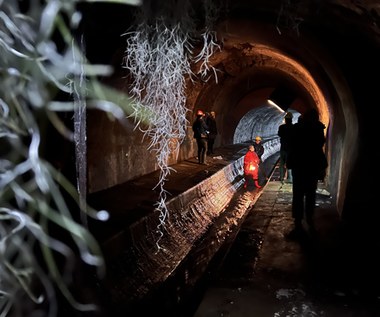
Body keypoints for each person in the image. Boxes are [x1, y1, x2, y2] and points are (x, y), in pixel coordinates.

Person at [287, 108, 327, 233]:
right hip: (312, 166)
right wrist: (321, 167)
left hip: (299, 166)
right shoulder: (318, 129)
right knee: (310, 194)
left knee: (298, 194)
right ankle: (310, 220)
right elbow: (319, 148)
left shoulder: (297, 129)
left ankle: (298, 222)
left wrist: (290, 162)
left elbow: (291, 146)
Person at [277, 112, 294, 184]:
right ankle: (290, 178)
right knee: (290, 163)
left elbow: (279, 134)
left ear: (285, 119)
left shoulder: (282, 127)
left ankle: (281, 178)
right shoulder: (294, 127)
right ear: (291, 119)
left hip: (283, 147)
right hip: (290, 148)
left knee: (282, 164)